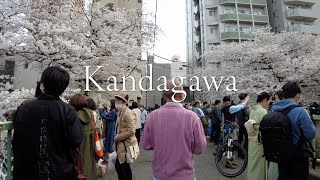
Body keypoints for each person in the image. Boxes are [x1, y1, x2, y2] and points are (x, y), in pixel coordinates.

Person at [13, 66, 83, 180]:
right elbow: (76, 139)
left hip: (26, 171)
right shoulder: (68, 111)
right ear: (63, 88)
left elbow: (17, 140)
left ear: (43, 84)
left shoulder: (25, 108)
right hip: (59, 170)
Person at [142, 80, 207, 180]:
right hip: (185, 175)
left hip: (160, 174)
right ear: (181, 95)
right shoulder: (192, 117)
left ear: (163, 96)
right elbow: (199, 149)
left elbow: (146, 145)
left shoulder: (152, 116)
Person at [272, 82, 316, 180]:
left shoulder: (275, 110)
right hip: (298, 154)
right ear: (297, 95)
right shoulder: (301, 111)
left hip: (281, 152)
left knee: (283, 176)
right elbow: (310, 134)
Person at [69, 94, 96, 180]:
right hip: (90, 147)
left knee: (79, 169)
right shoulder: (90, 113)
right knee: (89, 168)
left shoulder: (72, 116)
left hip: (78, 149)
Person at [113, 92, 137, 180]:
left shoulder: (127, 113)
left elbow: (131, 131)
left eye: (118, 100)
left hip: (125, 145)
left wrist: (118, 137)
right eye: (116, 100)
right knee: (124, 166)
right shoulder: (121, 112)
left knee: (121, 167)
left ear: (124, 102)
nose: (116, 102)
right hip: (121, 144)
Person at [247, 92, 270, 180]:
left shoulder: (253, 109)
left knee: (252, 163)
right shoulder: (263, 111)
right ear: (264, 100)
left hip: (252, 138)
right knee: (259, 165)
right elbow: (266, 127)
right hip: (260, 140)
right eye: (268, 101)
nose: (268, 103)